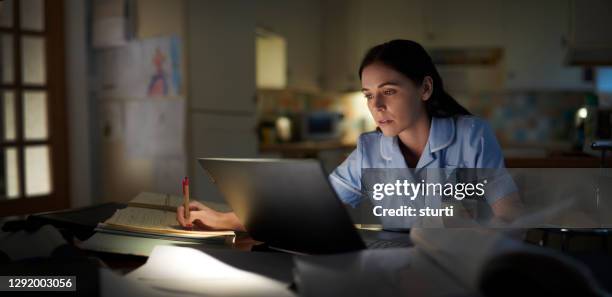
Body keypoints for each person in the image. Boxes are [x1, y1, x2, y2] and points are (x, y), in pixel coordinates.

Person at [177, 39, 523, 231]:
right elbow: (310, 208)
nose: (377, 106)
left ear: (425, 88)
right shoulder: (369, 151)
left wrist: (474, 237)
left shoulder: (472, 136)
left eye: (389, 91)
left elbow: (511, 216)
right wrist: (227, 219)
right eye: (369, 95)